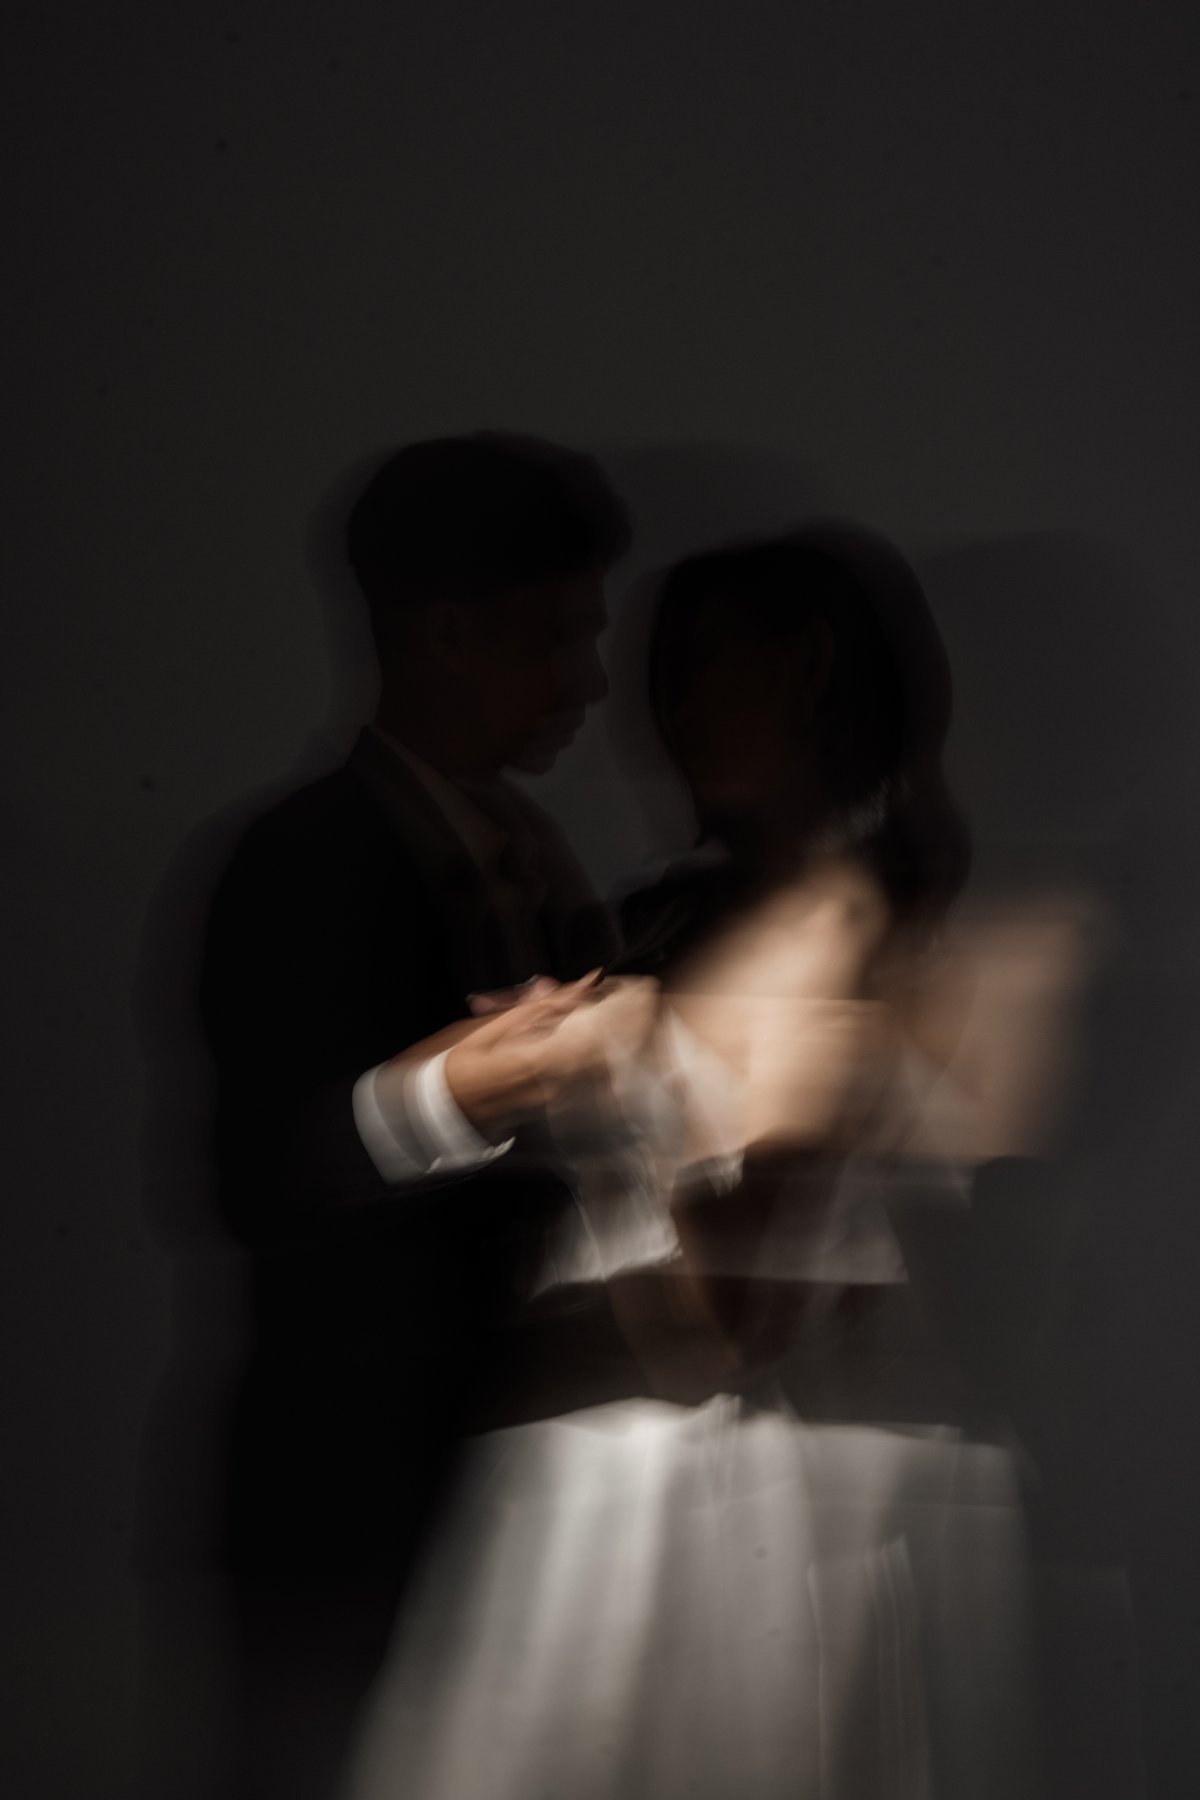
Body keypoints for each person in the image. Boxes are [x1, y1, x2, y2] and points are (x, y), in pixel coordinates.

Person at [338, 525, 1085, 1799]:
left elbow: (727, 1325)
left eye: (694, 670)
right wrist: (466, 1091)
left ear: (802, 671)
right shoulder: (645, 921)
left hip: (778, 1508)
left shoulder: (909, 943)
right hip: (607, 1499)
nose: (658, 719)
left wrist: (614, 1089)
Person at [192, 431, 658, 1799]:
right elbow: (247, 1180)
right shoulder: (292, 859)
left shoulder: (544, 864)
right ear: (449, 635)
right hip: (351, 1499)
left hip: (525, 1485)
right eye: (559, 638)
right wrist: (452, 1094)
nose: (591, 683)